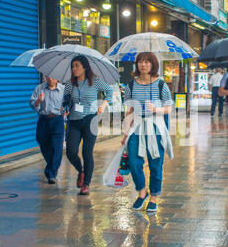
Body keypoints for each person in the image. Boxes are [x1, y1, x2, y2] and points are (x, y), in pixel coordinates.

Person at [120, 52, 174, 213]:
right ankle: (142, 192)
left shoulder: (160, 84)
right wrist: (125, 134)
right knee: (135, 162)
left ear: (153, 64)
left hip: (155, 126)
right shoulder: (130, 85)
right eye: (140, 62)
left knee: (155, 163)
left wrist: (156, 109)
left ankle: (154, 198)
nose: (143, 65)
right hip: (136, 125)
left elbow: (169, 107)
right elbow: (129, 110)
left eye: (147, 62)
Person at [63, 55, 113, 195]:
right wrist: (64, 106)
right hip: (74, 121)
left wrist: (103, 104)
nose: (74, 69)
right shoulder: (69, 84)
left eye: (77, 66)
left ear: (84, 67)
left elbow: (109, 91)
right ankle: (81, 171)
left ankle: (86, 184)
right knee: (71, 152)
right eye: (72, 66)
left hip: (91, 120)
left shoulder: (95, 81)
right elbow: (66, 99)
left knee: (87, 152)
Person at [30, 76, 65, 184]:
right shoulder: (39, 88)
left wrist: (66, 109)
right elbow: (32, 104)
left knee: (57, 147)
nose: (50, 79)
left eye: (53, 77)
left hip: (58, 120)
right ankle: (52, 166)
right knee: (41, 141)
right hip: (43, 120)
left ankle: (51, 173)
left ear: (58, 77)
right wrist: (38, 101)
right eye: (48, 77)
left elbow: (69, 104)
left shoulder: (64, 90)